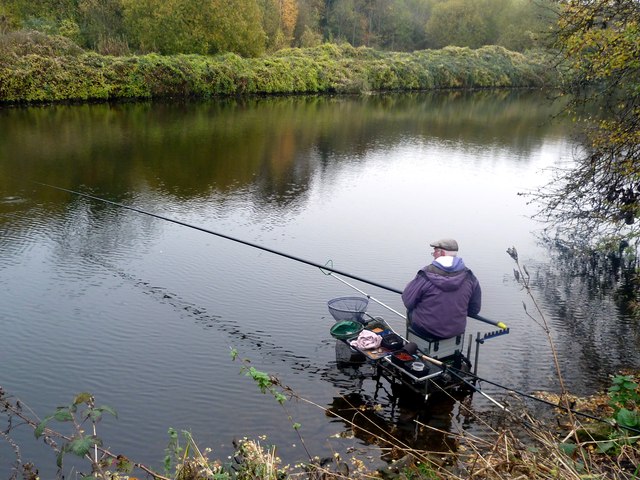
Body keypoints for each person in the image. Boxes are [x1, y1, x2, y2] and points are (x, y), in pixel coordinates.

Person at [401, 238, 481, 339]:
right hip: (455, 332)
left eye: (434, 251)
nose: (433, 254)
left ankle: (410, 344)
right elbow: (474, 310)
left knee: (410, 312)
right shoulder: (470, 277)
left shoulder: (425, 274)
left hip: (425, 331)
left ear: (442, 252)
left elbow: (408, 301)